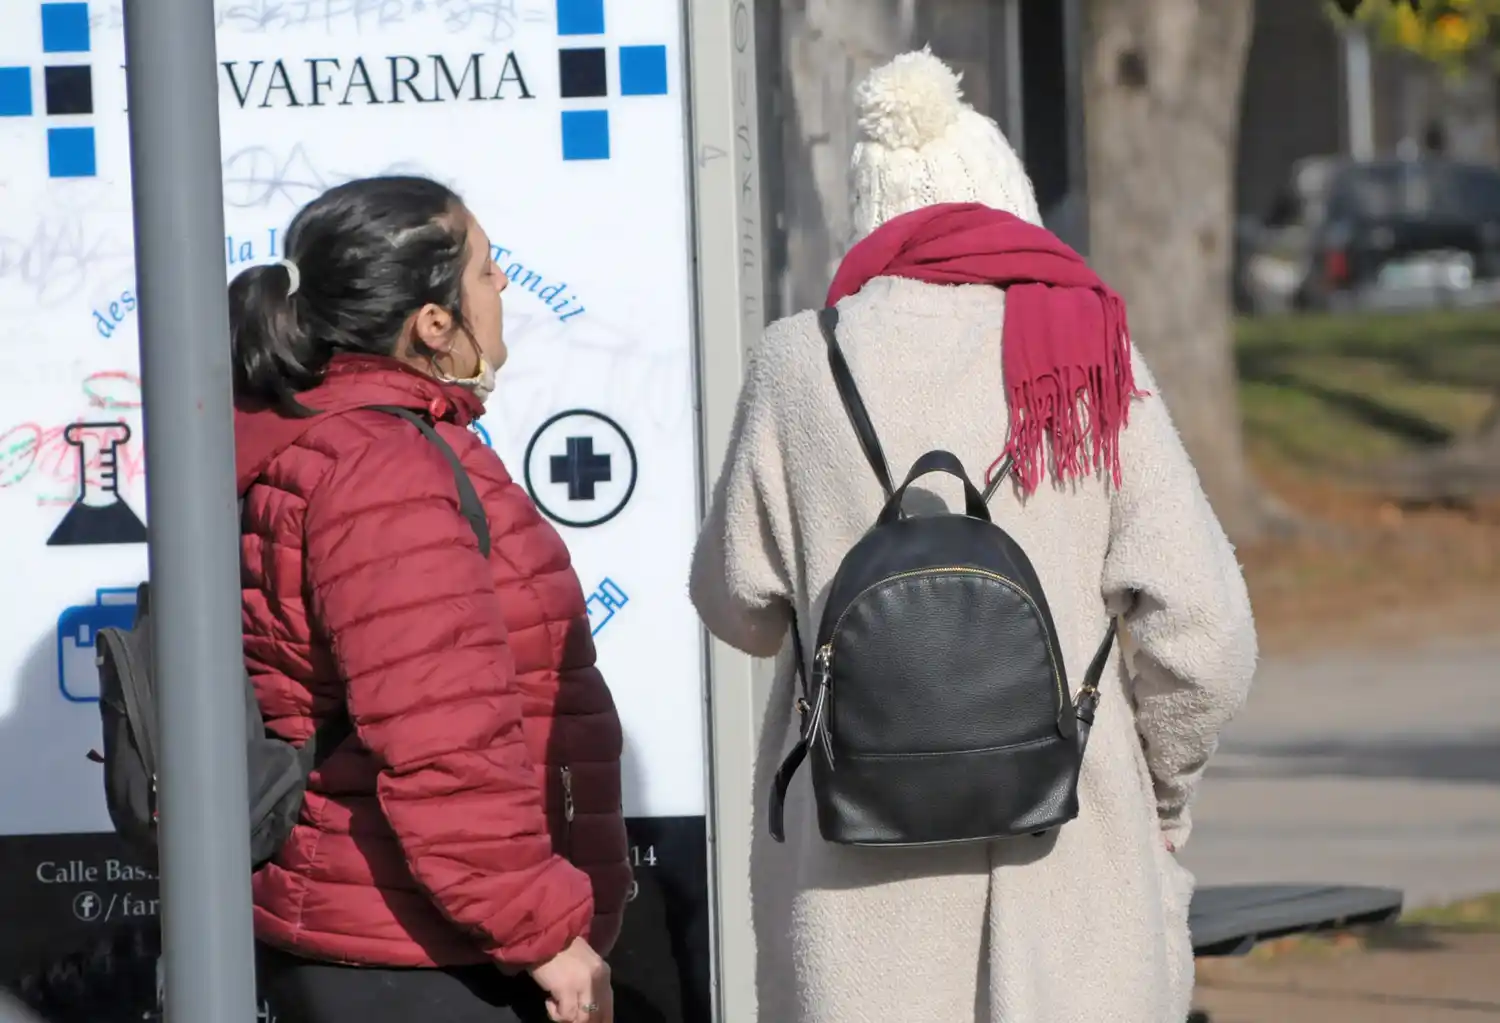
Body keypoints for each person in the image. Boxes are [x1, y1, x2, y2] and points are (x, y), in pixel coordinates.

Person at [690, 51, 1257, 1022]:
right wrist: (1159, 795)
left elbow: (737, 604)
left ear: (871, 213)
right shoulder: (1089, 357)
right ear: (1008, 200)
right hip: (1073, 858)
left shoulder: (797, 361)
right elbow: (1204, 636)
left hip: (855, 868)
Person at [231, 176, 629, 1023]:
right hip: (420, 954)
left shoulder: (358, 442)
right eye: (486, 270)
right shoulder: (383, 469)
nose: (505, 287)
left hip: (401, 936)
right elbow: (442, 732)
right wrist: (543, 934)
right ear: (432, 324)